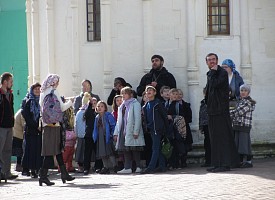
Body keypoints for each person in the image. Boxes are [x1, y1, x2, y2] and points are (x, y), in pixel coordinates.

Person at [205, 53, 239, 173]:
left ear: (217, 61)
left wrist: (213, 73)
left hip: (221, 110)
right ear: (206, 62)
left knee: (222, 138)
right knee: (214, 138)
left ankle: (225, 163)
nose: (211, 62)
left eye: (213, 59)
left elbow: (215, 84)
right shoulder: (210, 73)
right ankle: (216, 163)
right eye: (209, 60)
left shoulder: (221, 73)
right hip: (212, 110)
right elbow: (209, 91)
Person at [39, 74, 75, 186]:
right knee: (50, 152)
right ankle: (43, 176)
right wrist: (71, 102)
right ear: (53, 82)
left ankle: (64, 174)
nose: (58, 84)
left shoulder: (43, 93)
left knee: (57, 150)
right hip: (54, 125)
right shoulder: (54, 92)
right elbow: (62, 107)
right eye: (57, 82)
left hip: (46, 124)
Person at [114, 87, 145, 174]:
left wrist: (136, 131)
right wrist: (116, 132)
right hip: (123, 129)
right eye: (122, 93)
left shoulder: (135, 104)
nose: (123, 95)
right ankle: (127, 167)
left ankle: (138, 166)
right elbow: (119, 120)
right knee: (125, 149)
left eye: (125, 93)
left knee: (135, 148)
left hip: (131, 128)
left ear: (130, 94)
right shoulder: (122, 106)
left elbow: (138, 118)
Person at [141, 86, 169, 174]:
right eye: (147, 90)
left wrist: (166, 128)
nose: (148, 91)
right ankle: (162, 165)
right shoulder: (146, 105)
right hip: (151, 129)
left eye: (150, 90)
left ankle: (150, 167)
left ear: (154, 93)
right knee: (158, 147)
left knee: (155, 148)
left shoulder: (157, 103)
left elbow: (164, 116)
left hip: (158, 129)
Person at [230, 84, 256, 168]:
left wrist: (226, 114)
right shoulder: (240, 101)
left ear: (248, 92)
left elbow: (238, 112)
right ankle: (240, 162)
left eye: (245, 91)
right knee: (238, 144)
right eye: (242, 90)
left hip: (244, 126)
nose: (243, 92)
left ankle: (248, 162)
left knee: (244, 144)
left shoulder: (248, 102)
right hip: (237, 125)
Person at [21, 82, 43, 178]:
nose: (37, 91)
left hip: (39, 129)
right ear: (32, 90)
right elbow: (26, 115)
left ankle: (37, 169)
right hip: (31, 129)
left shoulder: (42, 101)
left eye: (39, 89)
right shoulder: (28, 101)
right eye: (35, 89)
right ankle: (29, 169)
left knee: (38, 150)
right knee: (30, 150)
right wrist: (35, 125)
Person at [0, 72, 18, 182]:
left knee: (7, 150)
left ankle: (7, 172)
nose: (12, 83)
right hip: (1, 126)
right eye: (11, 81)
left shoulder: (10, 94)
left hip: (9, 126)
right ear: (5, 82)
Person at [93, 101, 117, 174]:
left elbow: (113, 125)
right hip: (100, 137)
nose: (100, 108)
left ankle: (115, 166)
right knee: (102, 152)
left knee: (109, 152)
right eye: (98, 106)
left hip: (107, 136)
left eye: (102, 106)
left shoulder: (108, 115)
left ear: (105, 108)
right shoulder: (97, 117)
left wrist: (112, 134)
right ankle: (105, 167)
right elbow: (95, 128)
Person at [75, 92, 91, 173]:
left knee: (81, 150)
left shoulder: (79, 112)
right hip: (84, 134)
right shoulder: (85, 112)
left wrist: (76, 133)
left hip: (81, 134)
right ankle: (82, 165)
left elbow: (76, 124)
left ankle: (81, 165)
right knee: (83, 150)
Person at [83, 97, 99, 175]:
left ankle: (98, 166)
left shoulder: (98, 112)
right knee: (87, 152)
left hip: (97, 134)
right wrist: (90, 105)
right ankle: (86, 167)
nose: (93, 103)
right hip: (89, 134)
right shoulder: (88, 110)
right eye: (92, 102)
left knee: (97, 151)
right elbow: (86, 115)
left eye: (95, 102)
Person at [199, 87, 211, 167]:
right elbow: (201, 115)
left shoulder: (212, 102)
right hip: (205, 125)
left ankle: (212, 160)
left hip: (212, 125)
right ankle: (208, 160)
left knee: (211, 143)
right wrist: (201, 126)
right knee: (207, 144)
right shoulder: (203, 103)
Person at [12, 109, 25, 173]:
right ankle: (19, 166)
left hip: (16, 133)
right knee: (20, 151)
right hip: (19, 134)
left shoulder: (20, 111)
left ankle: (19, 165)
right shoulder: (23, 112)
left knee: (19, 151)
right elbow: (23, 125)